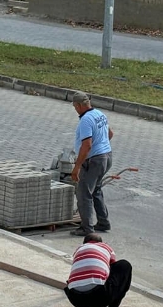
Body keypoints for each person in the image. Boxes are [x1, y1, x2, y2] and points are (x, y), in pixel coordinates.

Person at [71, 91, 114, 236]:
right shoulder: (99, 114)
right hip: (106, 157)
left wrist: (77, 167)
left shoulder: (86, 120)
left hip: (94, 161)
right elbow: (110, 134)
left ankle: (86, 228)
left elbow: (87, 145)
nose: (75, 109)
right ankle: (103, 222)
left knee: (83, 193)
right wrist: (101, 146)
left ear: (79, 105)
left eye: (75, 106)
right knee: (96, 189)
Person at [64, 233, 132, 307]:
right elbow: (113, 267)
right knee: (124, 265)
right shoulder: (106, 247)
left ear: (84, 243)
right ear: (100, 242)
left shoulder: (78, 249)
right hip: (99, 297)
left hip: (74, 298)